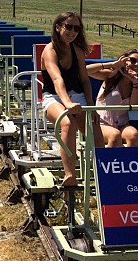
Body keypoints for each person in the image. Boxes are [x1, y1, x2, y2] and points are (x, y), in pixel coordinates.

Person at [41, 12, 104, 187]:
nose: (72, 31)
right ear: (58, 27)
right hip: (53, 96)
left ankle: (102, 170)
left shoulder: (77, 50)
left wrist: (91, 106)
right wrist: (67, 102)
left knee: (93, 127)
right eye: (68, 26)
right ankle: (70, 175)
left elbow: (84, 79)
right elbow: (57, 80)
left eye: (77, 28)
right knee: (68, 123)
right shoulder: (50, 51)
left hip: (77, 95)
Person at [87, 49, 138, 147]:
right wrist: (112, 65)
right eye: (133, 60)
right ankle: (106, 162)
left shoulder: (137, 86)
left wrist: (135, 83)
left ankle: (133, 161)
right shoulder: (111, 77)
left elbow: (134, 107)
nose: (136, 64)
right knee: (114, 135)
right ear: (124, 61)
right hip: (101, 124)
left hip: (122, 125)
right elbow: (85, 70)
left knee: (133, 135)